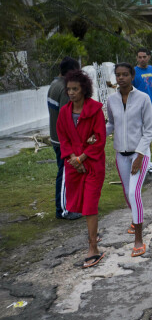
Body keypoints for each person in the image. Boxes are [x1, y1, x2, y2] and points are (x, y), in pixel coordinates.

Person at [56, 70, 106, 268]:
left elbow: (99, 138)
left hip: (92, 165)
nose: (71, 93)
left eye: (75, 89)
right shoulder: (64, 113)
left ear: (84, 89)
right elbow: (63, 138)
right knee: (80, 204)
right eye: (68, 89)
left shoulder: (95, 110)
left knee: (90, 206)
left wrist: (83, 157)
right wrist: (73, 159)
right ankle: (93, 236)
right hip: (74, 166)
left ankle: (93, 248)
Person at [106, 63, 152, 258]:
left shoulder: (143, 99)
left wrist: (140, 155)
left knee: (134, 193)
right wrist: (97, 134)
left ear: (132, 76)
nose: (121, 78)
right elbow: (111, 123)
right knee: (127, 193)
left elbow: (149, 129)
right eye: (118, 75)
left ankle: (139, 239)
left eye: (125, 74)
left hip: (139, 154)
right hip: (121, 154)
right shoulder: (111, 99)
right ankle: (135, 221)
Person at [47, 57, 83, 220]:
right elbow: (66, 117)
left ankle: (71, 205)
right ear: (71, 72)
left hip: (57, 138)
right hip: (63, 141)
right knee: (65, 174)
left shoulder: (54, 84)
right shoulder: (64, 89)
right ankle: (62, 210)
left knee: (67, 172)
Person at [133, 48, 152, 174]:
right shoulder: (133, 72)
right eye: (139, 57)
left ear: (149, 57)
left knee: (150, 135)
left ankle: (148, 161)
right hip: (140, 109)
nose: (142, 59)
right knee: (143, 136)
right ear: (137, 58)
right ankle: (145, 162)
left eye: (144, 57)